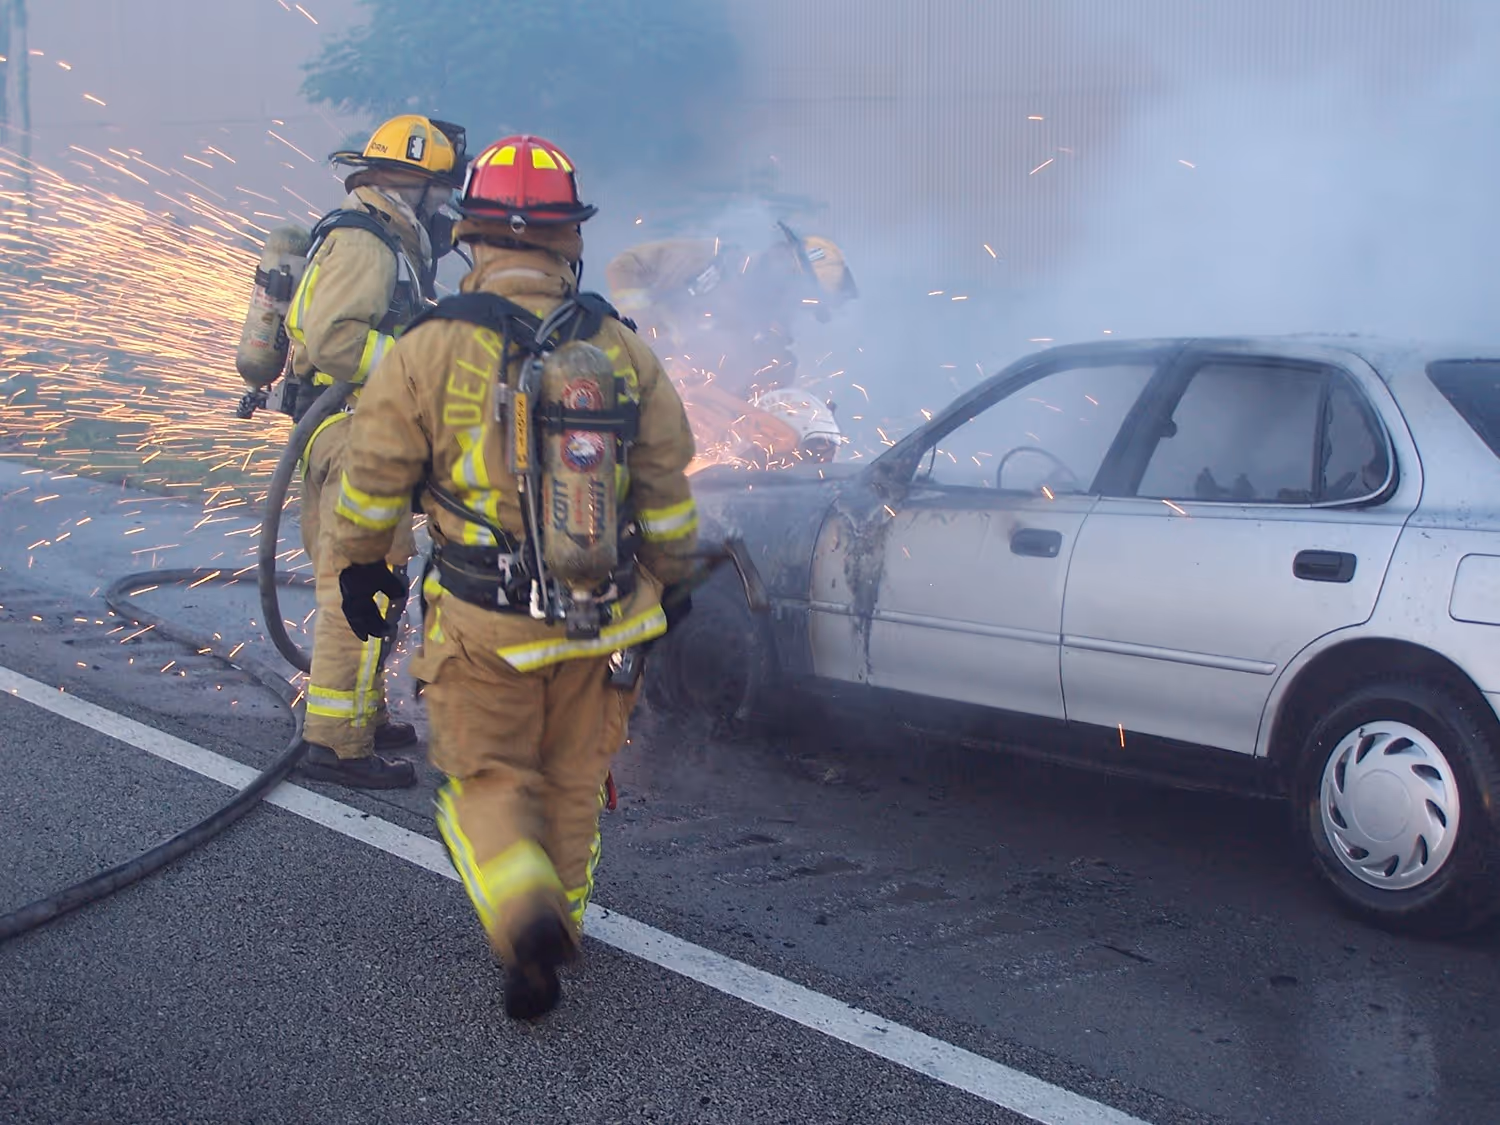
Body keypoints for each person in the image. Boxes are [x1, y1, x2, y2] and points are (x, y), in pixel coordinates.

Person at [327, 134, 698, 1018]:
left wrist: (362, 571)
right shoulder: (618, 345)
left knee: (488, 778)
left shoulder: (426, 346)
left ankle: (524, 912)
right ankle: (561, 924)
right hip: (605, 620)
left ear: (472, 236)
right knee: (573, 784)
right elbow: (669, 485)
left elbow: (373, 484)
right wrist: (671, 581)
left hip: (485, 622)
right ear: (570, 240)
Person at [283, 114, 468, 789]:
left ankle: (363, 712)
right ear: (410, 184)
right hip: (355, 435)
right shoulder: (367, 243)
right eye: (439, 190)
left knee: (379, 580)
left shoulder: (388, 239)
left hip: (371, 436)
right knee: (355, 588)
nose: (445, 205)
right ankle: (335, 743)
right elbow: (334, 341)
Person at [605, 226, 855, 463]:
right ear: (784, 266)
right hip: (624, 380)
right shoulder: (710, 260)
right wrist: (649, 333)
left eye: (800, 301)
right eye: (794, 293)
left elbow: (738, 414)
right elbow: (624, 266)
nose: (791, 305)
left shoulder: (772, 349)